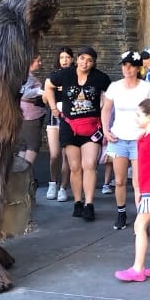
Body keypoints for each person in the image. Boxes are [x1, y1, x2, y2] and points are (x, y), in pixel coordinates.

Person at [45, 46, 112, 220]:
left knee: (89, 165)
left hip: (91, 126)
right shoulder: (66, 74)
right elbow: (48, 84)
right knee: (74, 167)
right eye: (82, 58)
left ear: (94, 62)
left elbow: (110, 95)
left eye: (89, 60)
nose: (85, 63)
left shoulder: (100, 78)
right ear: (78, 59)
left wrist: (104, 108)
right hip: (69, 125)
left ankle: (89, 203)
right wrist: (53, 107)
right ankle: (77, 202)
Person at [114, 99, 150, 282]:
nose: (136, 119)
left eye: (139, 116)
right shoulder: (148, 137)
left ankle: (138, 268)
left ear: (149, 118)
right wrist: (140, 188)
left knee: (139, 226)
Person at [101, 51, 150, 230]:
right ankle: (121, 212)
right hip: (118, 138)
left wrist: (149, 132)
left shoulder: (146, 87)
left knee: (139, 181)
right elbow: (106, 109)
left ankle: (142, 217)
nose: (127, 68)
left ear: (138, 68)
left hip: (139, 139)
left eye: (131, 65)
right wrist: (105, 130)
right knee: (119, 180)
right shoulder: (115, 87)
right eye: (124, 65)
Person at [42, 46, 74, 201]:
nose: (65, 60)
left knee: (67, 155)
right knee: (54, 154)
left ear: (72, 59)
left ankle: (63, 187)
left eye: (67, 57)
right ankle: (52, 183)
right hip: (55, 117)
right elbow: (45, 97)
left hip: (71, 118)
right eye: (62, 57)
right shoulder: (53, 76)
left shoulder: (76, 76)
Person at [17, 53, 47, 181]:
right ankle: (25, 175)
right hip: (30, 116)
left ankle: (19, 174)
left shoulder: (23, 75)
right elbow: (25, 92)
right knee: (33, 144)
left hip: (25, 114)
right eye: (37, 61)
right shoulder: (27, 77)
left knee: (24, 145)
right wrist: (41, 92)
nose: (39, 63)